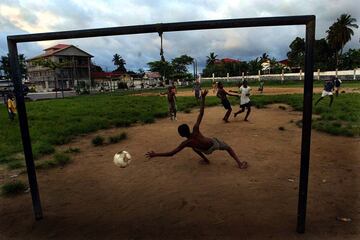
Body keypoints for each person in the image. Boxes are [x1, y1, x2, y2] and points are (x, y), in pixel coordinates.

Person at [146, 89, 248, 169]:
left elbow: (171, 153)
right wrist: (203, 98)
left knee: (194, 147)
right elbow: (201, 113)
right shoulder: (195, 130)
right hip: (212, 144)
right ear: (188, 129)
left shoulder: (186, 143)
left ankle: (206, 160)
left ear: (181, 135)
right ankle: (239, 163)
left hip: (204, 150)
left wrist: (155, 154)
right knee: (228, 147)